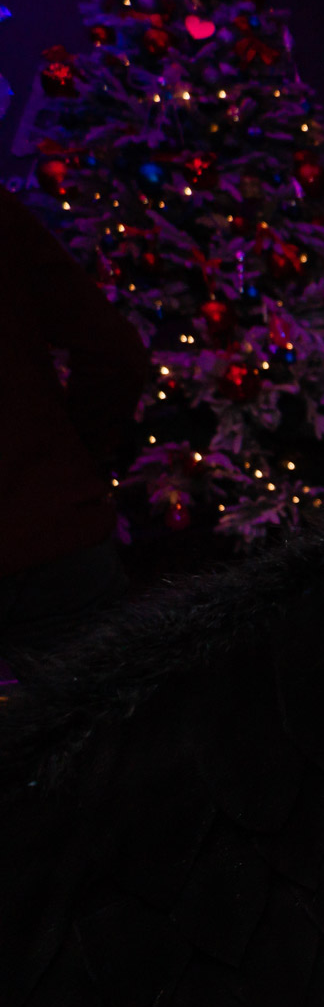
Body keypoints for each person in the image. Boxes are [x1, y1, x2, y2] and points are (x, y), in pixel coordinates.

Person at [0, 188, 146, 660]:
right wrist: (69, 462)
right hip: (51, 535)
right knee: (99, 703)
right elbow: (113, 351)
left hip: (49, 536)